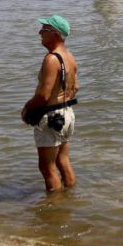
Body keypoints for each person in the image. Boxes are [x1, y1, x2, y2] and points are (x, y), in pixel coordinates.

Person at [21, 15, 78, 192]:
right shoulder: (69, 57)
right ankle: (70, 199)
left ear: (55, 34)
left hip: (52, 116)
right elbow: (76, 87)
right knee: (63, 160)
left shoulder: (52, 59)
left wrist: (27, 108)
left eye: (44, 30)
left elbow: (44, 96)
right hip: (67, 114)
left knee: (47, 167)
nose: (40, 33)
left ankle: (55, 210)